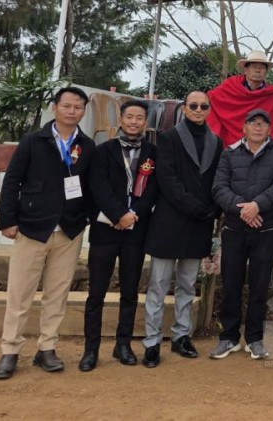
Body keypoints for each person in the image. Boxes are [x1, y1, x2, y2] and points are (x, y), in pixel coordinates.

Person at [0, 86, 96, 380]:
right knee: (20, 293)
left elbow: (90, 186)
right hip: (32, 227)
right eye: (67, 105)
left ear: (83, 112)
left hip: (69, 231)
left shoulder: (87, 146)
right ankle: (10, 350)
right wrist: (8, 220)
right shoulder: (33, 141)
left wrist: (84, 219)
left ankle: (47, 348)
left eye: (78, 107)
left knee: (57, 293)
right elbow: (12, 181)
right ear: (55, 107)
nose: (72, 111)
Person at [142, 91, 222, 368]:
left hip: (199, 224)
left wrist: (213, 209)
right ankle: (152, 342)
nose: (198, 109)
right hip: (170, 221)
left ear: (209, 110)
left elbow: (217, 180)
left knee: (187, 284)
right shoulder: (168, 138)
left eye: (203, 106)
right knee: (159, 285)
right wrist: (193, 206)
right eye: (193, 105)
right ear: (184, 109)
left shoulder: (216, 142)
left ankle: (181, 335)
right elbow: (167, 178)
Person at [80, 100, 158, 372]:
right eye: (130, 117)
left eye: (140, 118)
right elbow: (97, 186)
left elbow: (154, 189)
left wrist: (133, 214)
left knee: (129, 291)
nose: (134, 122)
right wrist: (118, 215)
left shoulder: (153, 153)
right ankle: (90, 349)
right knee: (96, 293)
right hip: (105, 229)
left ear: (146, 122)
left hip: (136, 231)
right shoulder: (102, 150)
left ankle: (123, 344)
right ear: (121, 120)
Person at [210, 109, 273, 360]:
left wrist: (257, 205)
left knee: (259, 286)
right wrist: (243, 210)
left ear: (269, 129)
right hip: (235, 229)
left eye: (263, 124)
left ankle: (255, 339)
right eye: (253, 123)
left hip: (265, 229)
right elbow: (219, 187)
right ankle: (229, 337)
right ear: (244, 127)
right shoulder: (229, 153)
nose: (258, 127)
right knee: (231, 284)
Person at [206, 50, 273, 146]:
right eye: (254, 67)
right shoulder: (230, 87)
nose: (258, 70)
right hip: (230, 146)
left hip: (263, 147)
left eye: (262, 68)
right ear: (245, 70)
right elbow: (209, 99)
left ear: (266, 72)